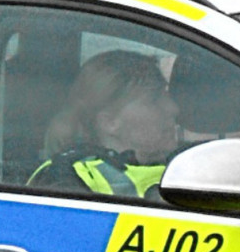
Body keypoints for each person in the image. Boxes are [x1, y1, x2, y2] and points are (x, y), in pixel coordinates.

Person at [27, 50, 181, 198]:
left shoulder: (186, 162)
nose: (173, 108)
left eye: (165, 94)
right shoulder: (65, 182)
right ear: (110, 122)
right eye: (153, 100)